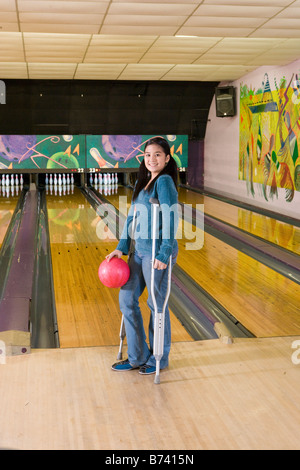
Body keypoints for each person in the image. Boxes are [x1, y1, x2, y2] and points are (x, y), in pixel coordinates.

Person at [106, 136, 179, 375]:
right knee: (127, 299)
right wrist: (122, 246)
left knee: (156, 304)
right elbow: (132, 217)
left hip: (156, 253)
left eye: (157, 154)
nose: (152, 159)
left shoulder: (165, 182)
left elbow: (170, 217)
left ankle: (160, 357)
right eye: (148, 155)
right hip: (138, 252)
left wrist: (164, 252)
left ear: (167, 158)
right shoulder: (145, 181)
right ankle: (138, 356)